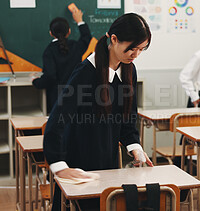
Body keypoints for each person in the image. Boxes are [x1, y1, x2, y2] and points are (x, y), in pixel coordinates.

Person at [43, 13, 153, 210]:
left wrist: (135, 147)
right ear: (114, 39)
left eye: (141, 49)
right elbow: (57, 120)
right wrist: (59, 165)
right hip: (78, 159)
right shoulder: (86, 72)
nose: (135, 54)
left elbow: (128, 116)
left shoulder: (129, 69)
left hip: (108, 159)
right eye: (132, 48)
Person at [32, 9, 92, 113]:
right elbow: (86, 37)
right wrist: (80, 21)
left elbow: (50, 76)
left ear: (51, 33)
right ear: (69, 31)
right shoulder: (76, 47)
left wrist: (35, 81)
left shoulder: (49, 51)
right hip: (76, 96)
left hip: (57, 99)